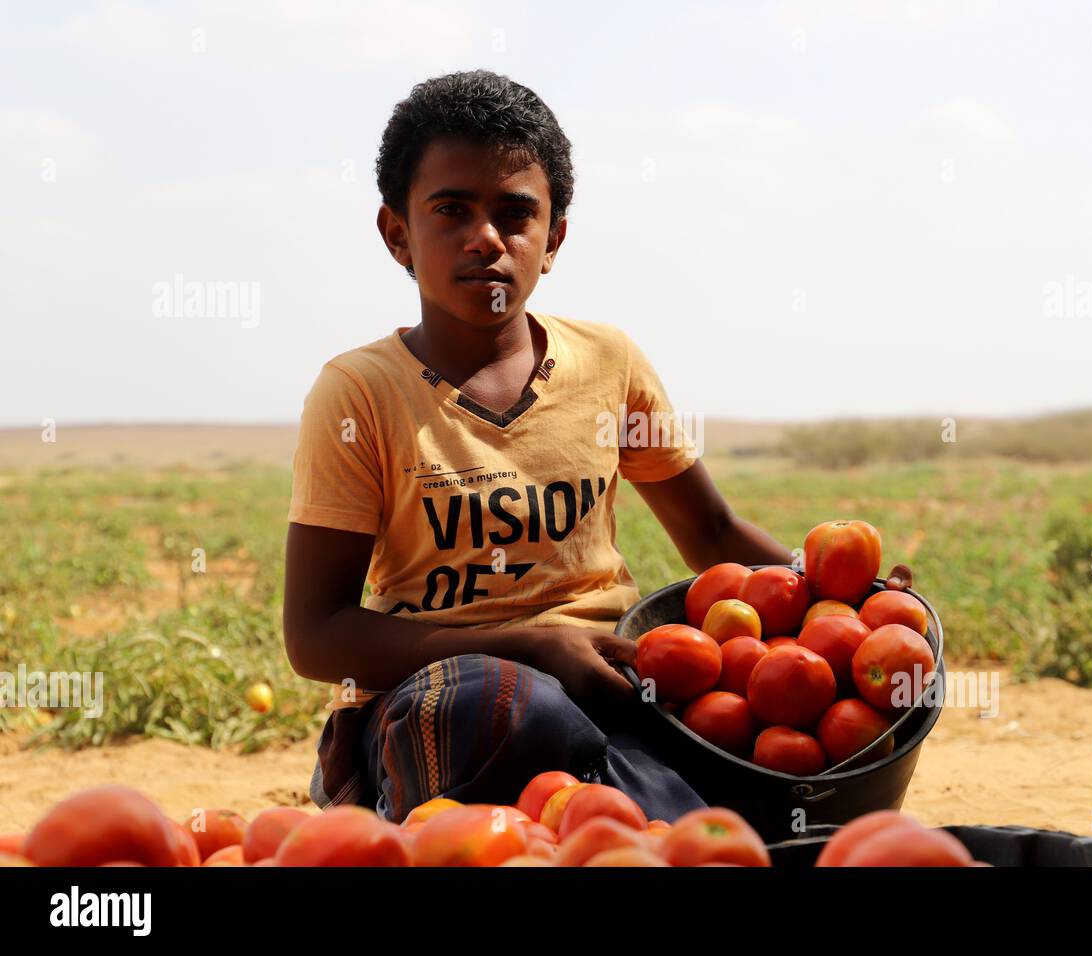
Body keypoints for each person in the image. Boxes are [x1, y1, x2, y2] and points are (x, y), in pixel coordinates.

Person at [282, 70, 792, 826]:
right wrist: (534, 649)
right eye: (451, 210)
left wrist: (841, 594)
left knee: (768, 734)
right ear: (398, 235)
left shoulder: (609, 363)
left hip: (614, 679)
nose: (486, 238)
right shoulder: (360, 391)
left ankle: (624, 803)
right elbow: (318, 633)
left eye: (515, 215)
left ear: (551, 240)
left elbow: (713, 534)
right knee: (508, 709)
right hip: (445, 700)